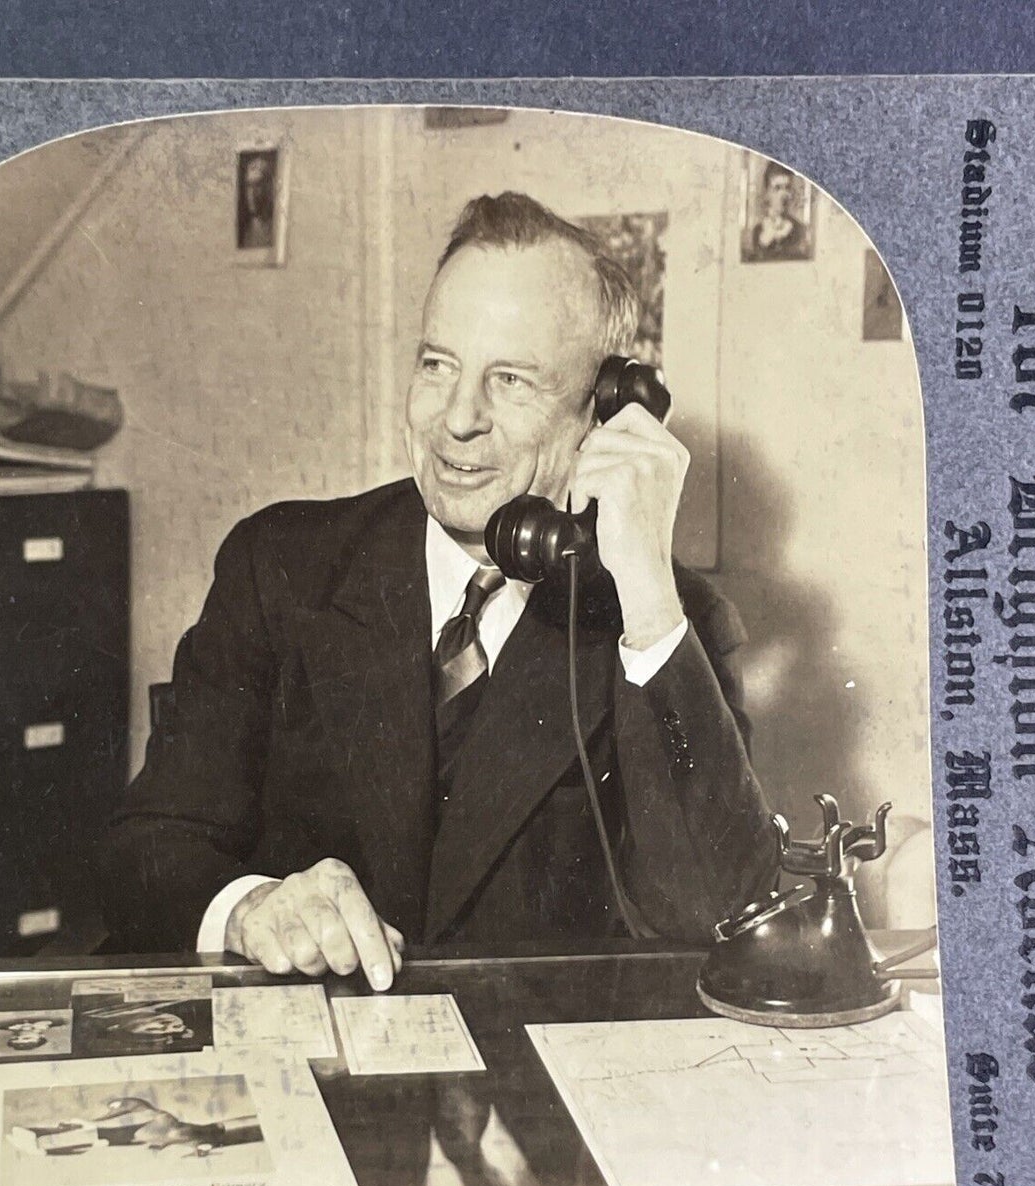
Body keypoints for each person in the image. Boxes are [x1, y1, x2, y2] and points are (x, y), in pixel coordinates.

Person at [98, 191, 777, 987]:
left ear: (607, 410)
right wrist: (250, 907)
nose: (456, 419)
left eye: (511, 381)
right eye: (436, 364)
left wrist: (647, 597)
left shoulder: (664, 620)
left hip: (527, 1088)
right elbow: (143, 847)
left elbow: (717, 916)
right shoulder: (280, 564)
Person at [747, 161, 810, 261]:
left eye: (787, 188)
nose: (783, 194)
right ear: (767, 193)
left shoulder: (798, 230)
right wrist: (763, 244)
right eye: (777, 188)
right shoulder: (757, 231)